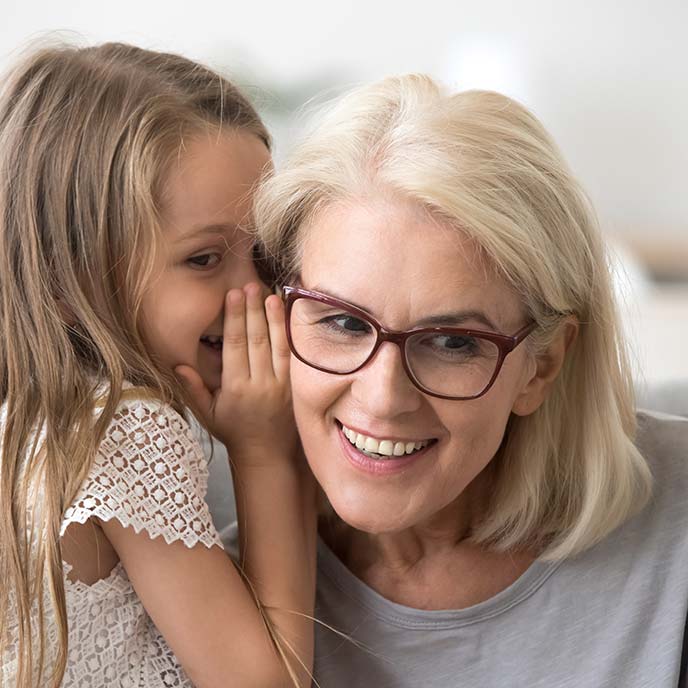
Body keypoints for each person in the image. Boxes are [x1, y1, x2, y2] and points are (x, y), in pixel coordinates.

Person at [252, 74, 688, 686]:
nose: (382, 397)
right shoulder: (215, 590)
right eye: (344, 323)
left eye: (453, 343)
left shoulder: (677, 528)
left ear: (542, 364)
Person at [0, 43, 316, 688]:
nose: (256, 293)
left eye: (264, 253)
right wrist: (264, 453)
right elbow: (266, 684)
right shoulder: (125, 426)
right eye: (204, 259)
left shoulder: (31, 419)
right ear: (69, 280)